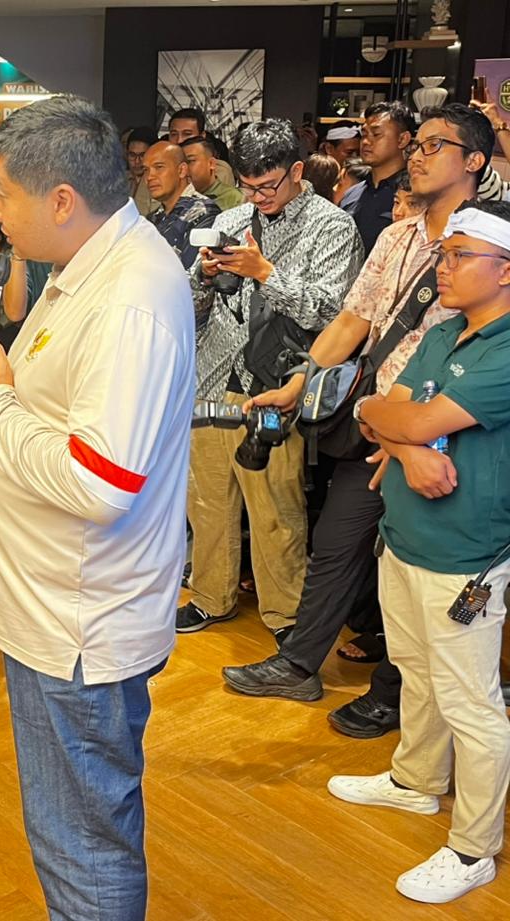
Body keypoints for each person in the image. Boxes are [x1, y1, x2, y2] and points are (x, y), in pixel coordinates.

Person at [0, 95, 195, 921]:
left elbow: (100, 480)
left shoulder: (128, 299)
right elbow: (35, 399)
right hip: (52, 609)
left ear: (62, 200)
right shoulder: (86, 268)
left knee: (82, 843)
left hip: (77, 625)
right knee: (73, 830)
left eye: (4, 194)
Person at [223, 105, 492, 734]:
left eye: (435, 146)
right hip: (371, 418)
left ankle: (395, 694)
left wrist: (412, 434)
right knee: (338, 544)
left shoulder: (487, 245)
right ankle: (298, 663)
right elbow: (352, 322)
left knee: (415, 568)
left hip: (445, 433)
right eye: (417, 145)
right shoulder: (397, 237)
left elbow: (479, 346)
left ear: (475, 161)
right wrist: (298, 385)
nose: (418, 155)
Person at [327, 199, 510, 905]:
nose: (444, 266)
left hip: (467, 555)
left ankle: (473, 848)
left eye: (461, 255)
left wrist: (398, 426)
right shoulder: (443, 332)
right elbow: (379, 407)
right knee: (415, 671)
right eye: (445, 253)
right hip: (405, 535)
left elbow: (420, 413)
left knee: (472, 704)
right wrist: (407, 450)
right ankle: (416, 781)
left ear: (505, 269)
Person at [178, 118, 364, 637]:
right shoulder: (232, 219)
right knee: (207, 501)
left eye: (267, 185)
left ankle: (285, 615)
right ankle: (211, 597)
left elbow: (332, 314)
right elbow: (191, 307)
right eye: (248, 185)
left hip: (280, 385)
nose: (257, 197)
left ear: (297, 171)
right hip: (214, 375)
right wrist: (204, 276)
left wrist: (265, 273)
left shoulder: (332, 227)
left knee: (275, 509)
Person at [342, 101, 417, 253]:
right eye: (364, 134)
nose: (366, 142)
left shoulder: (415, 194)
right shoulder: (352, 194)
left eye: (376, 134)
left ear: (403, 139)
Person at [142, 139, 221, 267]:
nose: (150, 177)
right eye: (146, 170)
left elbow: (194, 270)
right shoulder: (151, 219)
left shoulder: (204, 211)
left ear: (182, 170)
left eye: (159, 167)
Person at [181, 135, 245, 212]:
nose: (184, 168)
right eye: (180, 164)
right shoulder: (178, 200)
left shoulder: (236, 199)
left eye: (190, 161)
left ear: (211, 163)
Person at [124, 126, 158, 216]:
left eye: (142, 155)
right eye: (132, 155)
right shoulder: (119, 181)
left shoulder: (159, 183)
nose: (137, 161)